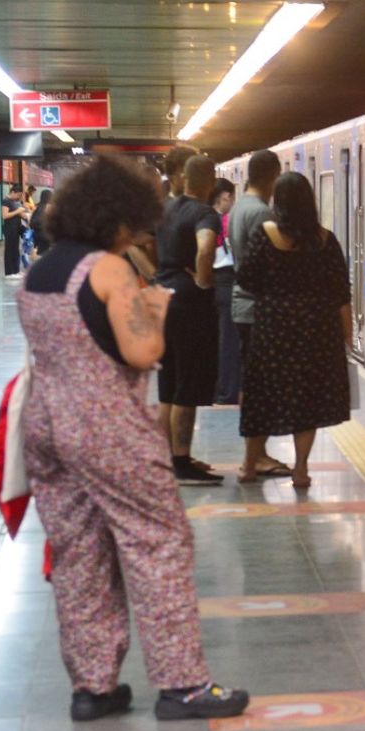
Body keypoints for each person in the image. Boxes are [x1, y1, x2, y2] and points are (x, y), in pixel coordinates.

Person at [19, 156, 248, 722]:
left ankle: (92, 687)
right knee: (159, 543)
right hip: (107, 427)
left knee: (80, 554)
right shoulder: (108, 271)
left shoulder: (41, 271)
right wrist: (152, 305)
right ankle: (183, 684)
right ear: (118, 218)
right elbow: (144, 352)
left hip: (47, 425)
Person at [237, 172, 353, 489]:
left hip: (273, 327)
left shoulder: (264, 234)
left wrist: (272, 291)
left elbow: (245, 278)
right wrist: (347, 336)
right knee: (307, 399)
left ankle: (249, 465)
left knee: (261, 394)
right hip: (316, 329)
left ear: (279, 201)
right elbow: (341, 292)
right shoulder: (325, 240)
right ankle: (301, 470)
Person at [155, 155, 223, 485]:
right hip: (188, 305)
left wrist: (159, 275)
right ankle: (181, 463)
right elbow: (207, 246)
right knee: (188, 385)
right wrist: (203, 280)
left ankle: (170, 458)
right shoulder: (205, 213)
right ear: (210, 181)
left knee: (168, 385)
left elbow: (141, 244)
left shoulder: (167, 209)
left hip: (162, 297)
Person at [230, 151, 292, 477]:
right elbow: (264, 267)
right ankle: (258, 455)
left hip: (243, 306)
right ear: (272, 176)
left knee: (251, 383)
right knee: (262, 387)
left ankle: (254, 453)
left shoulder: (240, 206)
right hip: (256, 308)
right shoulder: (261, 214)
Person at [210, 179, 241, 405]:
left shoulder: (205, 219)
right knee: (229, 342)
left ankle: (217, 388)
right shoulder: (229, 220)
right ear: (225, 196)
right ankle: (228, 392)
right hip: (228, 280)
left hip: (210, 282)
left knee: (217, 340)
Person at [2, 185, 28, 279]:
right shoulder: (6, 201)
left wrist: (24, 214)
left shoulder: (15, 201)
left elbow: (21, 214)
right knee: (9, 249)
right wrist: (17, 211)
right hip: (9, 228)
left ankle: (16, 270)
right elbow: (5, 215)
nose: (18, 197)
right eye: (18, 194)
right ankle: (9, 272)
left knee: (15, 250)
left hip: (16, 228)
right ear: (12, 192)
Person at [30, 188, 53, 258]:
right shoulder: (48, 207)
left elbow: (32, 222)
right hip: (45, 236)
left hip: (37, 235)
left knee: (40, 254)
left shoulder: (38, 206)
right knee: (45, 255)